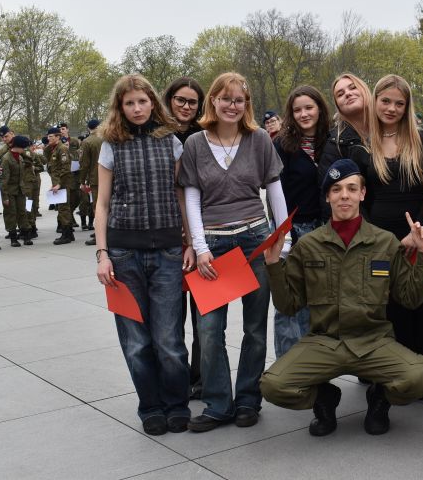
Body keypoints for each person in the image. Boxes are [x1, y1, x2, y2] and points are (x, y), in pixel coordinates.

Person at [260, 159, 423, 437]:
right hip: (325, 342)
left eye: (352, 189)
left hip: (373, 342)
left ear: (362, 194)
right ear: (327, 197)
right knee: (273, 386)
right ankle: (324, 399)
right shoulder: (308, 245)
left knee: (420, 378)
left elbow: (411, 298)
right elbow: (288, 305)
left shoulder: (385, 242)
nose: (344, 195)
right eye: (337, 189)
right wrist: (273, 266)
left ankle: (380, 398)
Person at [178, 72, 288, 432]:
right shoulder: (196, 143)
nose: (232, 105)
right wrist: (199, 246)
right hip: (214, 245)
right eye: (225, 98)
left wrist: (282, 238)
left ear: (246, 104)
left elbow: (274, 189)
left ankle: (247, 401)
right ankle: (218, 403)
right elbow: (191, 197)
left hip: (255, 239)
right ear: (213, 100)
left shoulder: (259, 140)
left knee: (255, 328)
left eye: (239, 100)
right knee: (209, 330)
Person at [95, 73, 194, 436]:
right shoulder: (110, 145)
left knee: (169, 340)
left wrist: (190, 243)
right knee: (136, 342)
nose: (137, 109)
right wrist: (102, 254)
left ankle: (177, 403)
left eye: (142, 101)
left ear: (153, 102)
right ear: (120, 107)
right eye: (129, 103)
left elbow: (182, 196)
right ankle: (150, 406)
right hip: (123, 254)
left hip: (167, 252)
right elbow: (102, 204)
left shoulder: (171, 141)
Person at [351, 74, 423, 403]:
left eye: (399, 103)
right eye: (386, 101)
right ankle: (399, 382)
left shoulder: (422, 140)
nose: (391, 108)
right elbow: (361, 199)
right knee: (392, 310)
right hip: (380, 239)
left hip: (420, 235)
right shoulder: (362, 147)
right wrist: (374, 237)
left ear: (407, 107)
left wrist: (415, 231)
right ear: (375, 101)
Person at [272, 85, 331, 357]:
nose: (304, 114)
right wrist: (285, 233)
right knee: (289, 303)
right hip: (293, 229)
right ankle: (288, 366)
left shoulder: (331, 141)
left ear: (320, 108)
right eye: (297, 110)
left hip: (325, 229)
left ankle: (311, 364)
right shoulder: (282, 145)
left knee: (316, 302)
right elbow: (276, 193)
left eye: (309, 107)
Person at [163, 76, 204, 398]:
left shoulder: (206, 136)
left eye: (192, 102)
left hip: (204, 232)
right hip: (168, 234)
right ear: (169, 100)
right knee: (171, 318)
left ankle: (202, 377)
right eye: (180, 100)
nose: (186, 106)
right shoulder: (157, 136)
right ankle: (175, 380)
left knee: (206, 318)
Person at [318, 73, 372, 215]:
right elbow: (329, 195)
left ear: (365, 90)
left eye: (353, 88)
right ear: (338, 106)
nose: (348, 94)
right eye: (340, 94)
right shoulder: (335, 144)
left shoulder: (391, 130)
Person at [0, 135, 33, 247]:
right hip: (9, 191)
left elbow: (30, 161)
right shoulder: (6, 159)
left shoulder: (20, 157)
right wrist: (5, 197)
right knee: (11, 213)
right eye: (23, 147)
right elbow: (3, 180)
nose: (25, 149)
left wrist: (23, 153)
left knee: (23, 212)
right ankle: (13, 237)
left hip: (20, 190)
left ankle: (26, 235)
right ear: (18, 146)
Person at [45, 127, 74, 245]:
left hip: (63, 183)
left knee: (63, 209)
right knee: (62, 208)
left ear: (58, 137)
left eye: (51, 136)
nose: (49, 138)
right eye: (48, 136)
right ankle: (69, 234)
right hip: (58, 183)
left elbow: (65, 168)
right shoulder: (53, 149)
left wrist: (59, 184)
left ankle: (66, 235)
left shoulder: (62, 149)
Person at [79, 119, 103, 246]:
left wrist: (82, 181)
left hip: (96, 178)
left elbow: (84, 164)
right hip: (112, 177)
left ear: (89, 128)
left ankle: (100, 234)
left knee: (98, 207)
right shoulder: (108, 138)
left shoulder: (87, 142)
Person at [59, 122, 84, 229]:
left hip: (75, 173)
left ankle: (70, 215)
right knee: (65, 199)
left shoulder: (74, 141)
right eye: (60, 129)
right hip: (64, 174)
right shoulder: (58, 142)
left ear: (67, 130)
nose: (61, 131)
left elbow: (79, 153)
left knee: (77, 197)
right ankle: (65, 222)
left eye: (63, 129)